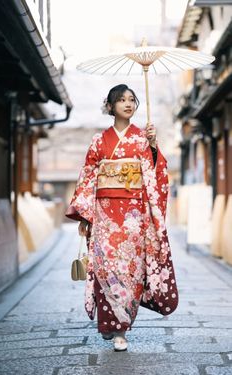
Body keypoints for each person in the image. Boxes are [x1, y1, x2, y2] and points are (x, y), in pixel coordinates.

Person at [65, 84, 178, 352]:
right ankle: (109, 322)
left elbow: (157, 172)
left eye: (132, 100)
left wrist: (152, 147)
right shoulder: (98, 140)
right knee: (106, 268)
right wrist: (85, 214)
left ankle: (122, 329)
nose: (128, 104)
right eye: (121, 100)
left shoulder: (141, 138)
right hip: (104, 214)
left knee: (130, 269)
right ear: (110, 106)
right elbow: (89, 175)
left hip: (134, 215)